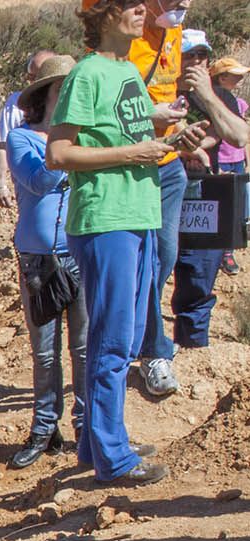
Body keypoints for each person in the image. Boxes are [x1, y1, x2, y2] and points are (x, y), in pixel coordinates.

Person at [47, 0, 179, 485]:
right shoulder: (88, 73)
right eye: (129, 4)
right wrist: (136, 151)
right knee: (114, 339)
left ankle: (96, 443)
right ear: (103, 15)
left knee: (118, 336)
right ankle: (115, 458)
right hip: (107, 220)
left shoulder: (126, 72)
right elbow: (58, 152)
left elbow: (126, 134)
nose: (142, 10)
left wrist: (167, 132)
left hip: (138, 213)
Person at [7, 55, 88, 469]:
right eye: (63, 88)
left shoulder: (85, 138)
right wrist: (67, 154)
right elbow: (37, 181)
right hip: (39, 259)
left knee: (84, 347)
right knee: (45, 351)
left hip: (80, 251)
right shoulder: (23, 140)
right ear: (47, 94)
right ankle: (44, 429)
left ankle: (87, 427)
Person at [128, 0, 193, 397]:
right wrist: (153, 114)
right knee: (148, 260)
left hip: (170, 163)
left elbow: (170, 86)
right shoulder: (123, 34)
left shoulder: (174, 31)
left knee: (163, 256)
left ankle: (140, 330)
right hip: (136, 163)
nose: (183, 4)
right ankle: (154, 351)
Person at [169, 32, 245, 349]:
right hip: (157, 189)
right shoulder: (158, 90)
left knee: (198, 275)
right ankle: (149, 352)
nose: (196, 62)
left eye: (202, 56)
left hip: (201, 195)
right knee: (150, 274)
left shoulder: (219, 96)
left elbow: (238, 136)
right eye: (189, 55)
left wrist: (206, 95)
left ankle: (192, 348)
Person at [0, 50, 58, 210]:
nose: (30, 80)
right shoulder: (15, 103)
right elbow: (3, 145)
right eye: (29, 75)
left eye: (35, 76)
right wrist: (2, 183)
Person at [208, 55, 246, 274]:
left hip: (237, 162)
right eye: (235, 76)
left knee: (237, 208)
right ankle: (222, 252)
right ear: (222, 78)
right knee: (220, 209)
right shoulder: (213, 102)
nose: (239, 80)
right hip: (221, 161)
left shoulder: (239, 103)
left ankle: (229, 249)